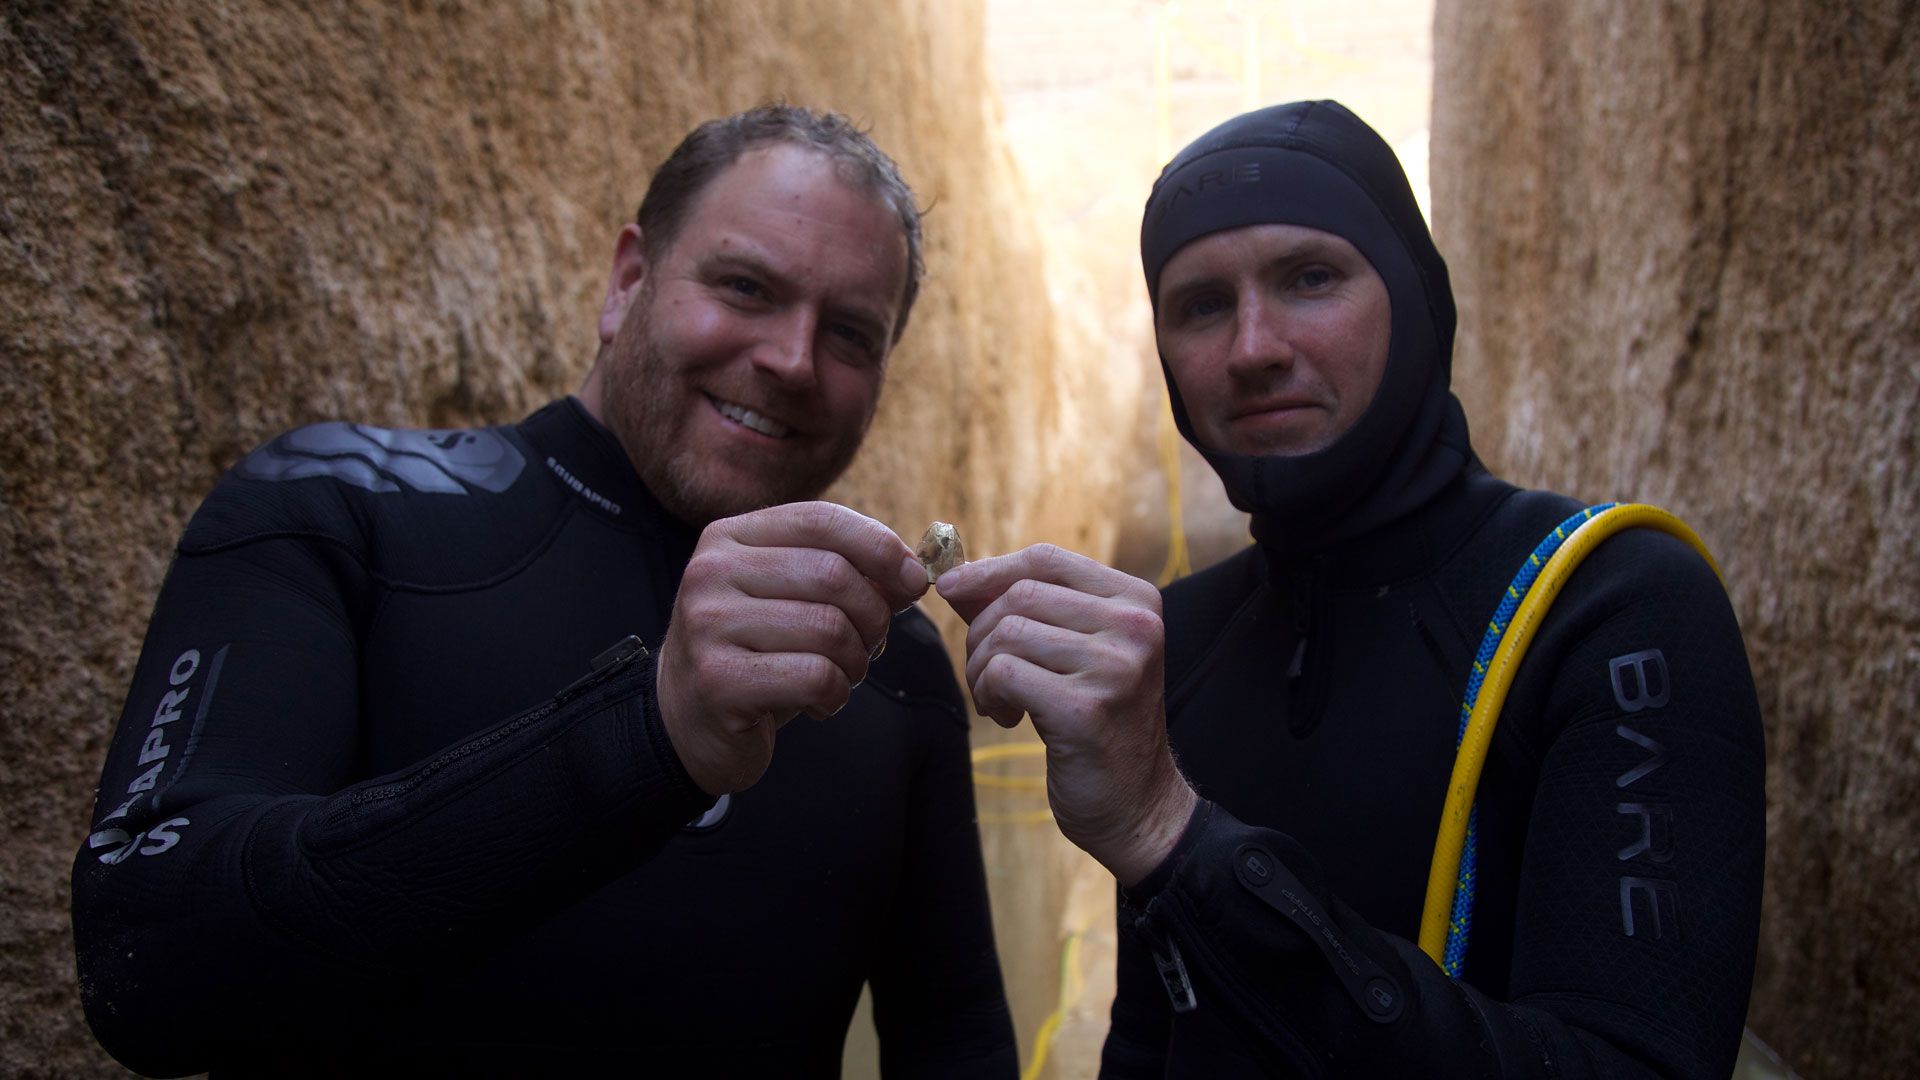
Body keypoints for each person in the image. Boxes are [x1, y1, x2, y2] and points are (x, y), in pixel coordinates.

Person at [72, 104, 1018, 1078]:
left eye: (852, 334)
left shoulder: (890, 657)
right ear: (627, 280)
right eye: (745, 286)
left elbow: (958, 1040)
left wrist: (1123, 833)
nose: (792, 359)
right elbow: (145, 966)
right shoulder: (335, 506)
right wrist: (650, 735)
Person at [936, 100, 1764, 1077]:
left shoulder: (1613, 607)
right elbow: (1157, 1039)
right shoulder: (1179, 637)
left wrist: (1171, 833)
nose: (1254, 347)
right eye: (1201, 304)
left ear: (1414, 297)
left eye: (1310, 278)